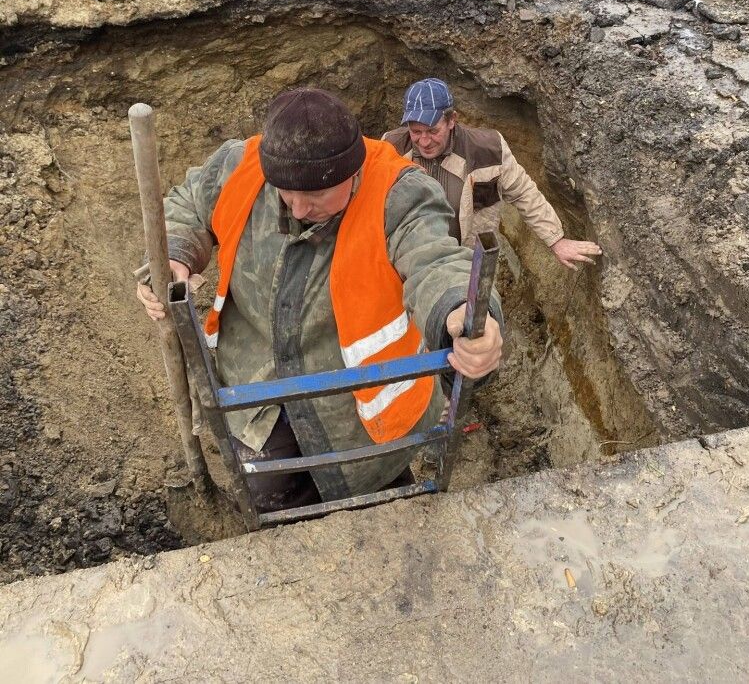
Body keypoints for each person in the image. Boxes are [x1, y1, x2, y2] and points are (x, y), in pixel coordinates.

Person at [136, 88, 502, 514]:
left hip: (357, 410)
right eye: (286, 194)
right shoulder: (241, 166)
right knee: (269, 496)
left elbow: (435, 259)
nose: (298, 208)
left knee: (374, 494)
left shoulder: (400, 194)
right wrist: (175, 256)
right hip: (258, 391)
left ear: (351, 172)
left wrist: (462, 311)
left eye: (315, 197)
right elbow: (186, 207)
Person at [383, 78, 603, 271]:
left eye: (432, 131)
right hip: (409, 262)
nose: (424, 141)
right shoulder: (389, 148)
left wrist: (556, 240)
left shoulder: (488, 150)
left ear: (452, 120)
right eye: (416, 132)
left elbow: (523, 192)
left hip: (467, 262)